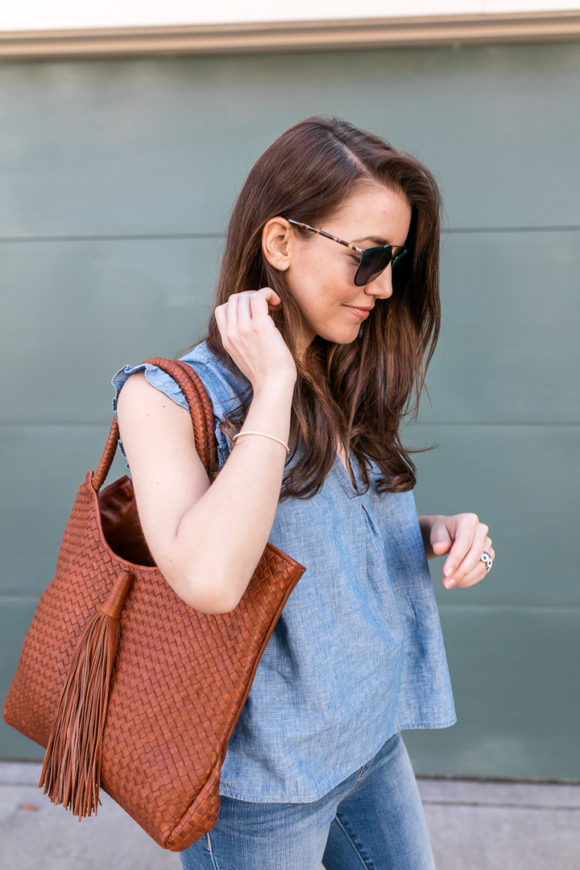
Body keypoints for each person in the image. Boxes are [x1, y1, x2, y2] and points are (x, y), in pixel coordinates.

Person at [112, 115, 494, 870]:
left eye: (397, 262)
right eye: (369, 257)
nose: (384, 286)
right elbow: (212, 578)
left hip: (371, 738)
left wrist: (433, 532)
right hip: (266, 779)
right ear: (281, 243)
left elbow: (318, 532)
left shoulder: (347, 373)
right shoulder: (162, 398)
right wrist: (274, 384)